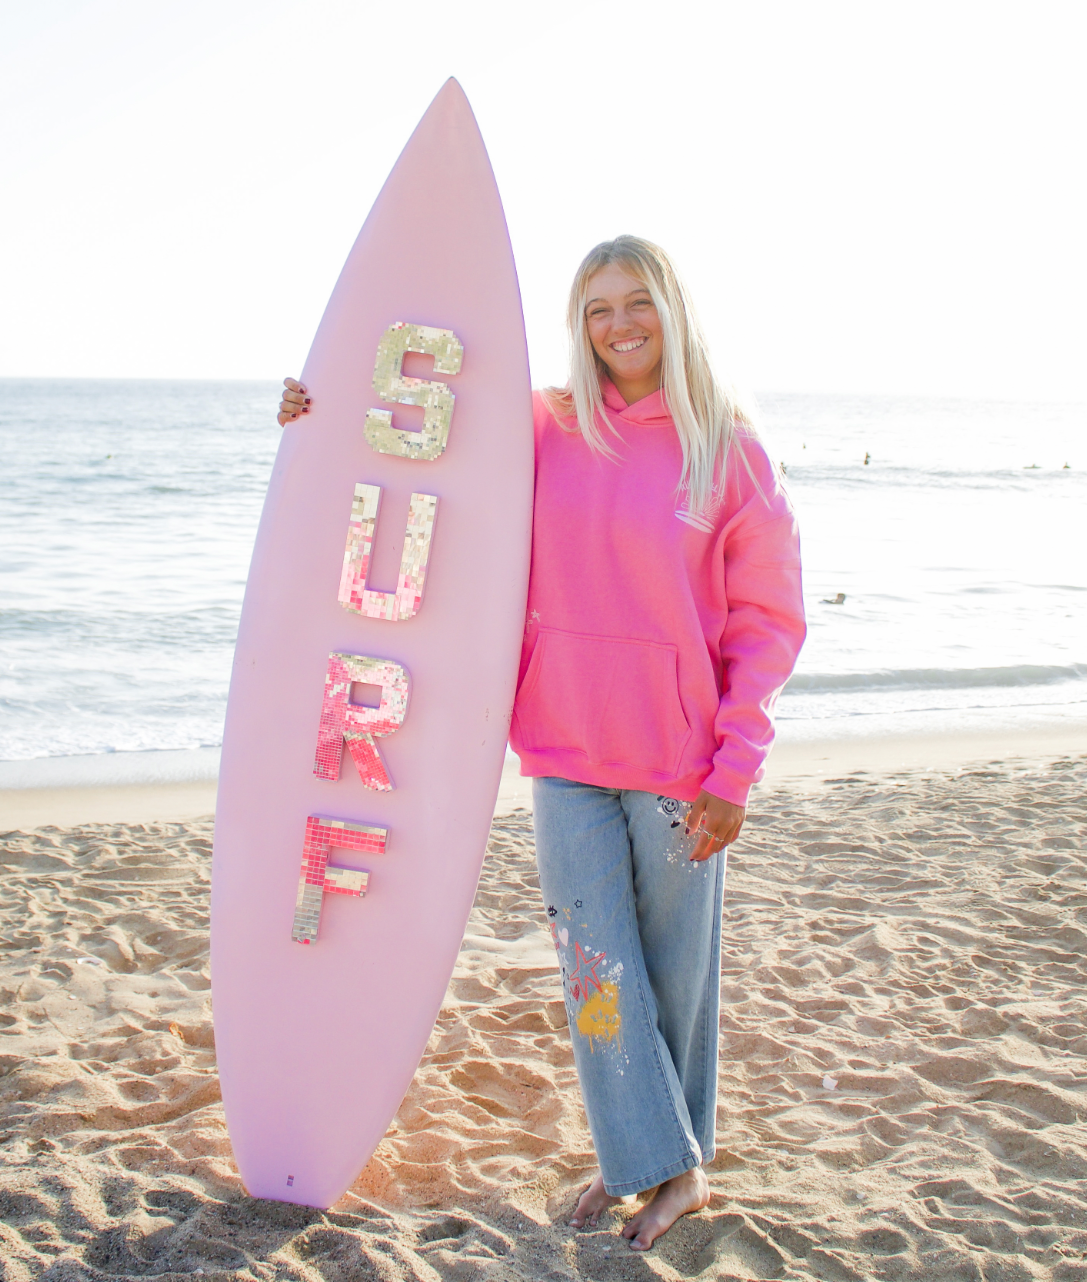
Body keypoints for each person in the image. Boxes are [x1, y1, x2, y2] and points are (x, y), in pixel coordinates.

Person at [279, 235, 806, 1250]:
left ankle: (663, 1167)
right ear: (580, 321)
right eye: (599, 306)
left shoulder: (729, 448)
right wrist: (320, 407)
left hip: (681, 768)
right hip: (565, 755)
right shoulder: (547, 426)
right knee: (597, 976)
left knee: (674, 981)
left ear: (672, 310)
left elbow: (768, 624)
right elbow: (419, 435)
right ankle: (655, 1161)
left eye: (637, 301)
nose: (619, 324)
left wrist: (737, 766)